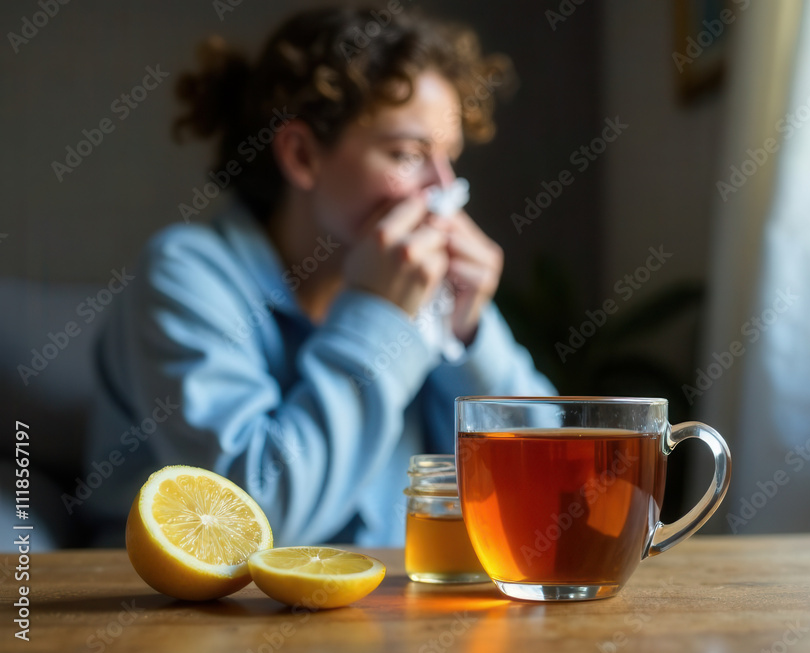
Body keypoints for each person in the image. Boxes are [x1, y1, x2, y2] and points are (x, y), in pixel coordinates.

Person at [84, 5, 555, 547]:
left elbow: (548, 485)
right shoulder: (185, 274)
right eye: (407, 154)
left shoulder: (422, 281)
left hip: (385, 610)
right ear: (302, 155)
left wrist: (468, 331)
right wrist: (382, 319)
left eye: (450, 160)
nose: (443, 193)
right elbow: (242, 527)